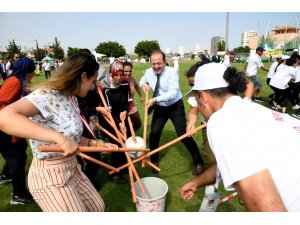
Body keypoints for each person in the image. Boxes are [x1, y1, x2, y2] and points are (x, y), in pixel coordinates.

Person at [0, 53, 118, 212]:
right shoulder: (45, 94)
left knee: (97, 207)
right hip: (49, 174)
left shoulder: (72, 97)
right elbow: (4, 117)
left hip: (72, 168)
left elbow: (72, 136)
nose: (92, 86)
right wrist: (58, 138)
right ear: (83, 76)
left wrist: (95, 143)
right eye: (92, 80)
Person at [180, 63, 300, 211]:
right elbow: (233, 162)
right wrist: (196, 182)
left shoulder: (221, 121)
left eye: (196, 98)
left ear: (203, 96)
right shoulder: (252, 109)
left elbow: (263, 205)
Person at [139, 50, 204, 175]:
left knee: (183, 135)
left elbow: (173, 92)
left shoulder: (172, 72)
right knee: (154, 134)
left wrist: (155, 99)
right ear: (150, 62)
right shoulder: (148, 72)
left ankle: (199, 162)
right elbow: (142, 81)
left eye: (159, 63)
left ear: (164, 61)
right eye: (154, 64)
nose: (156, 66)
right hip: (159, 108)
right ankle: (154, 161)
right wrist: (144, 84)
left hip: (175, 106)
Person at [0, 57, 36, 204]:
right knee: (17, 156)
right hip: (5, 127)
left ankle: (5, 175)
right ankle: (19, 195)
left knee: (18, 150)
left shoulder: (16, 80)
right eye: (32, 71)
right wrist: (17, 117)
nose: (34, 74)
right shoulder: (14, 82)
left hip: (7, 125)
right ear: (26, 70)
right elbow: (2, 104)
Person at [99, 61, 133, 184]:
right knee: (117, 142)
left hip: (121, 116)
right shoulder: (106, 88)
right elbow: (108, 109)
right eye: (116, 75)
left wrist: (125, 111)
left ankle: (123, 166)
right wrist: (119, 123)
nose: (119, 78)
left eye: (121, 74)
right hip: (108, 119)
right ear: (111, 74)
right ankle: (115, 173)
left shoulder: (125, 83)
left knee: (126, 139)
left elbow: (129, 101)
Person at [123, 61, 143, 131]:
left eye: (130, 71)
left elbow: (137, 85)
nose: (128, 73)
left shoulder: (132, 78)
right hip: (121, 108)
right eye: (125, 71)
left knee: (137, 123)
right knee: (123, 124)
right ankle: (126, 137)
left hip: (131, 106)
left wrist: (141, 96)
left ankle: (129, 135)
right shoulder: (119, 79)